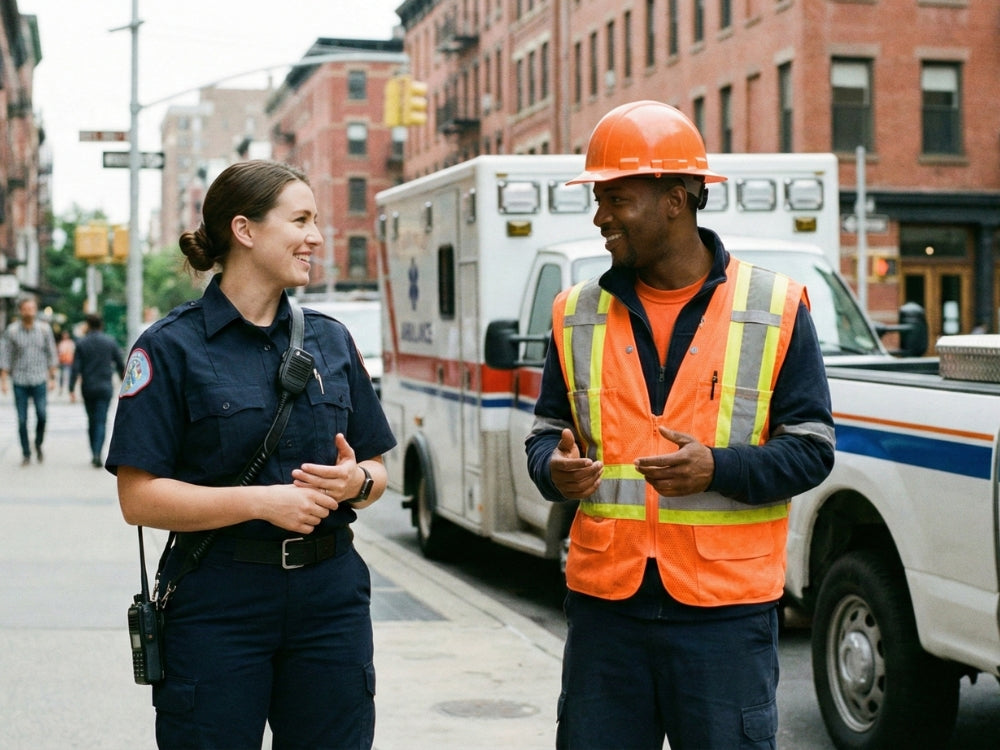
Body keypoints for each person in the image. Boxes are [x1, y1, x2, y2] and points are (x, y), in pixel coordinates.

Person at [524, 101, 836, 750]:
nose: (600, 214)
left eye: (617, 197)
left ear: (675, 199)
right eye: (598, 197)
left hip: (724, 616)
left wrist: (716, 468)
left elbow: (812, 451)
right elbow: (543, 433)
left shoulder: (774, 307)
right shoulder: (573, 312)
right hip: (607, 613)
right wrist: (552, 471)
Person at [106, 160, 395, 749]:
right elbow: (138, 498)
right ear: (245, 230)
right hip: (219, 601)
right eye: (301, 220)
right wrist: (264, 502)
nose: (317, 236)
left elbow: (377, 471)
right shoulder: (170, 348)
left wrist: (354, 483)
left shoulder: (331, 340)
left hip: (330, 599)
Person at [0, 296, 58, 465]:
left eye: (31, 308)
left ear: (36, 309)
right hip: (19, 380)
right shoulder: (12, 331)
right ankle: (26, 452)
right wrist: (3, 380)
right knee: (22, 419)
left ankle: (38, 443)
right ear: (20, 310)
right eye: (25, 309)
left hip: (39, 378)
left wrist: (53, 378)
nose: (29, 312)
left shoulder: (44, 330)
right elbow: (6, 356)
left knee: (42, 415)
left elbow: (51, 354)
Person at [69, 313, 125, 467]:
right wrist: (125, 382)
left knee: (92, 420)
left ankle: (94, 451)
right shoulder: (110, 342)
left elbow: (75, 368)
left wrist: (71, 388)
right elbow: (121, 365)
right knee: (101, 420)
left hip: (88, 387)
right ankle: (97, 453)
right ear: (101, 325)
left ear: (87, 325)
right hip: (105, 387)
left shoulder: (81, 343)